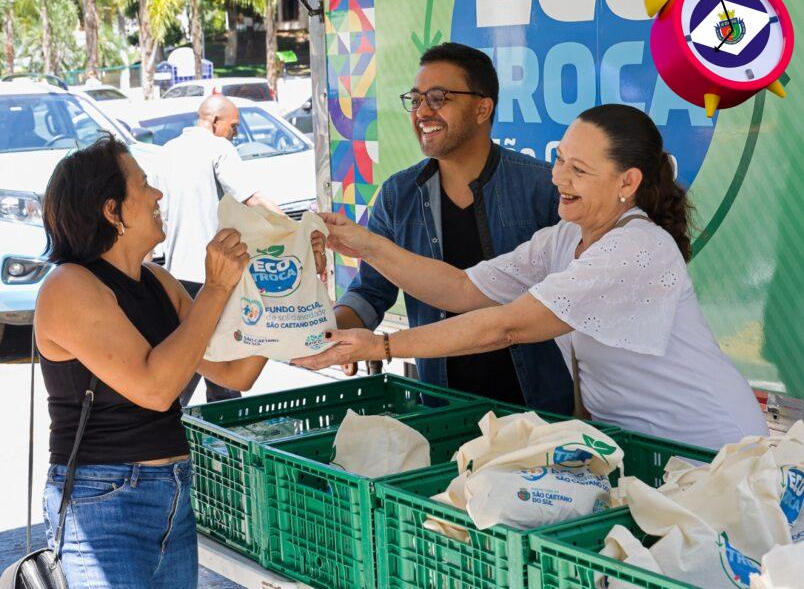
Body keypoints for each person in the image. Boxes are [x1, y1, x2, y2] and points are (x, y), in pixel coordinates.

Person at [296, 104, 768, 450]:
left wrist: (382, 347)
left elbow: (507, 326)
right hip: (645, 447)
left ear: (627, 183)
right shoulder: (564, 238)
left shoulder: (636, 248)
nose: (559, 178)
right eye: (560, 159)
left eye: (578, 170)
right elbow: (462, 288)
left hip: (713, 448)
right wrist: (363, 243)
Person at [33, 136, 319, 589]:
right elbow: (155, 388)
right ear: (112, 211)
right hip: (103, 500)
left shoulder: (158, 282)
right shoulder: (69, 286)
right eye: (144, 184)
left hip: (173, 492)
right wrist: (216, 288)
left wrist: (292, 286)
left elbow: (234, 371)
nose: (158, 195)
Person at [333, 42, 571, 414]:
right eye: (416, 100)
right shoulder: (398, 195)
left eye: (438, 98)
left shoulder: (543, 188)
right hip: (443, 412)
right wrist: (326, 331)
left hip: (540, 413)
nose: (422, 112)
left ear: (482, 108)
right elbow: (370, 292)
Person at [154, 95, 278, 406]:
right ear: (214, 121)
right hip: (215, 278)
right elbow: (251, 197)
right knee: (219, 366)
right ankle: (218, 431)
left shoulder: (166, 152)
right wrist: (291, 228)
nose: (235, 133)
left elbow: (157, 218)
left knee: (190, 361)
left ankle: (172, 421)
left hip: (175, 277)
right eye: (233, 126)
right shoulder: (218, 148)